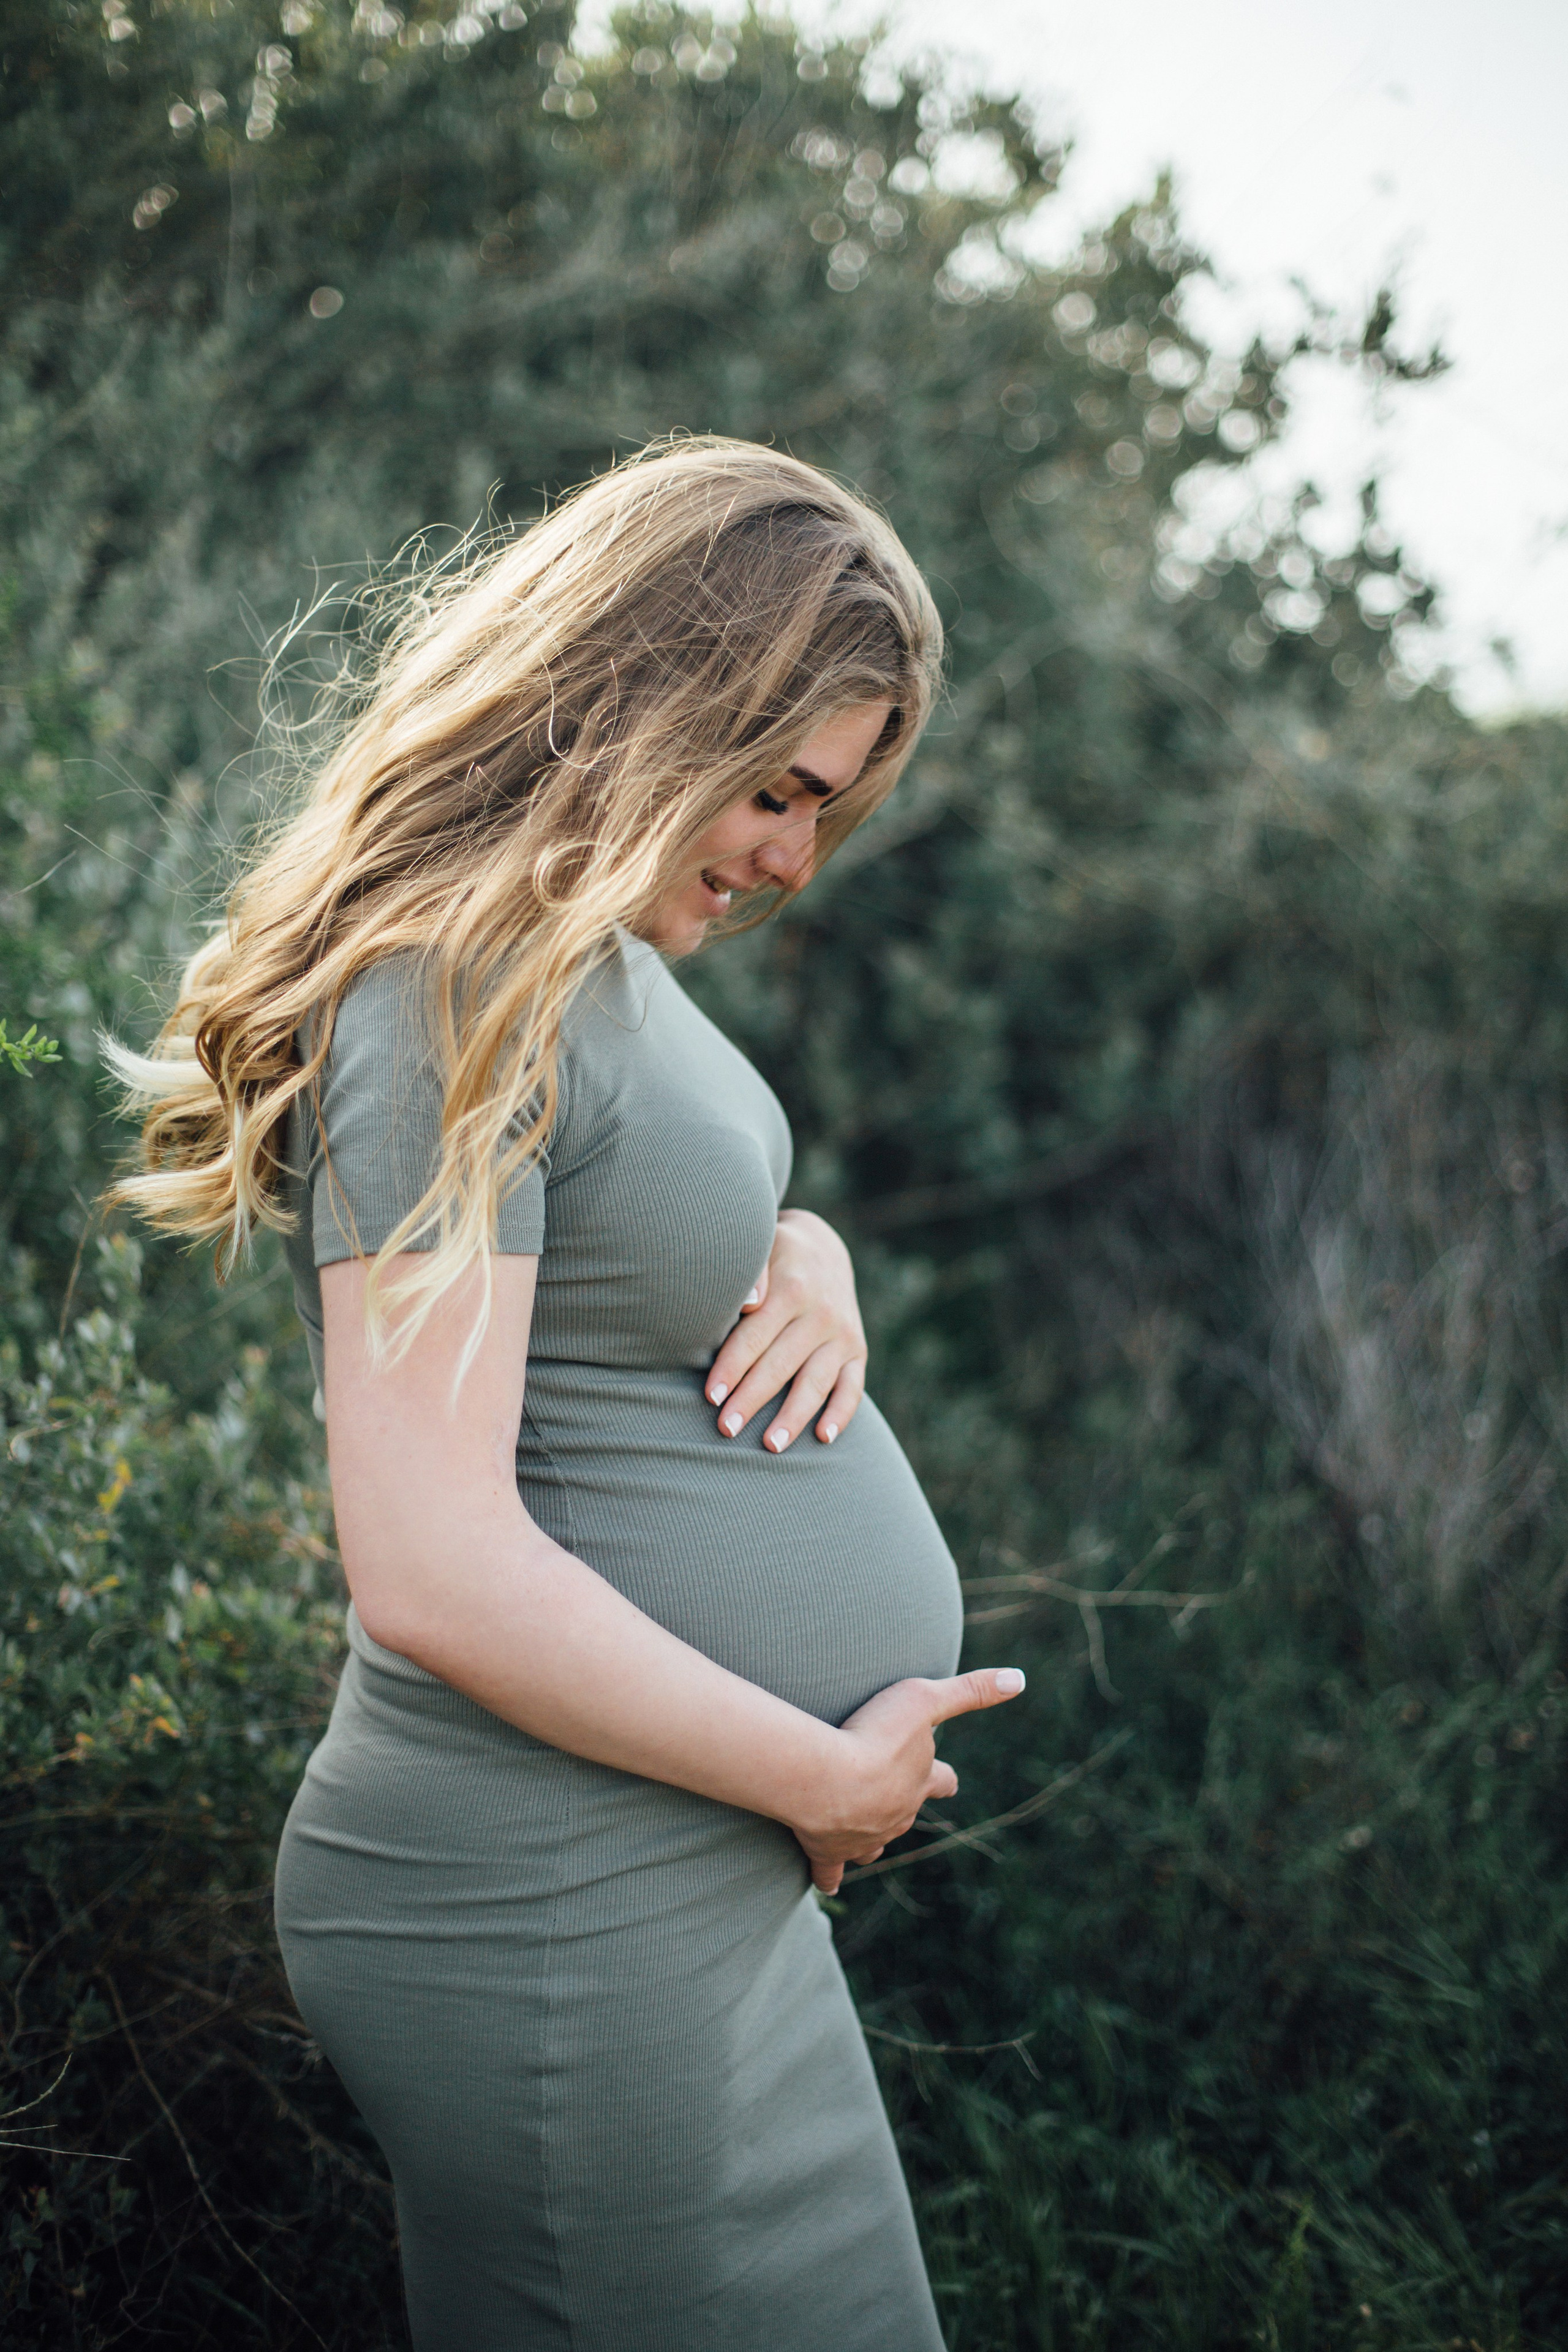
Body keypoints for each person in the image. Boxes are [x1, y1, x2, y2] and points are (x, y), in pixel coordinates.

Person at [108, 439, 1025, 2351]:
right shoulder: (440, 986)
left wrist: (803, 1246)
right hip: (546, 1907)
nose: (790, 862)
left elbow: (615, 1249)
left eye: (828, 812)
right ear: (640, 700)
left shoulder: (572, 966)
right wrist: (829, 1778)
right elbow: (430, 1565)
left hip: (679, 1880)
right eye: (774, 790)